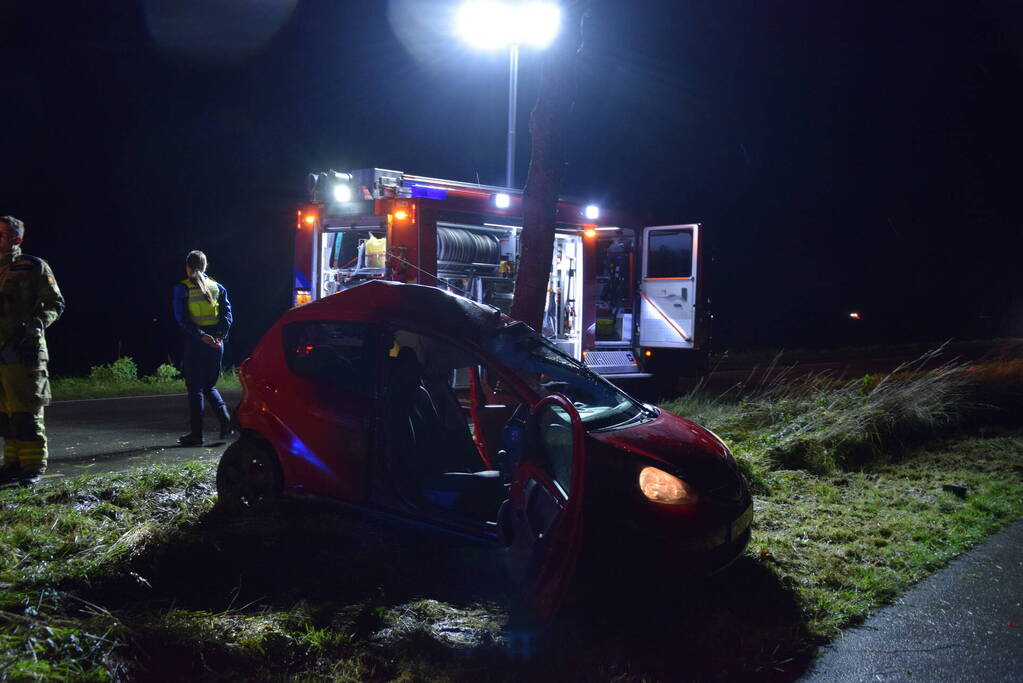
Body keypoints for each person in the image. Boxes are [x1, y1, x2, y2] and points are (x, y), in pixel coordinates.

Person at [0, 216, 65, 485]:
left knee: (27, 409)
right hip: (0, 352)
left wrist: (36, 325)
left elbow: (56, 303)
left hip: (24, 350)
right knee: (5, 412)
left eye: (1, 234)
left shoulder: (33, 266)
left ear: (16, 239)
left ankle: (33, 467)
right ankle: (13, 463)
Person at [173, 250, 233, 446]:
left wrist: (201, 336)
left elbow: (182, 319)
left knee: (195, 389)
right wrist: (219, 337)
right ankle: (226, 423)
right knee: (209, 386)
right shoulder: (217, 287)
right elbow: (228, 316)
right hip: (216, 344)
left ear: (188, 267)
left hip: (196, 342)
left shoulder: (182, 288)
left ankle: (196, 435)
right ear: (206, 266)